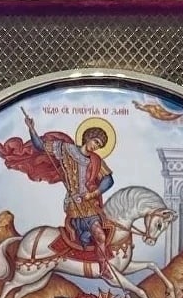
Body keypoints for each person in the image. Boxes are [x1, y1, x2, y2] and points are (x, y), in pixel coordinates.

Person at [24, 113, 116, 280]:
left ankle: (103, 268)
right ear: (88, 137)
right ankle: (81, 236)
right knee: (92, 234)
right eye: (95, 141)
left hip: (89, 202)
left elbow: (108, 180)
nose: (96, 147)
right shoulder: (66, 149)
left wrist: (94, 193)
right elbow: (40, 146)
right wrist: (31, 129)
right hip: (73, 202)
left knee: (101, 235)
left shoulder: (96, 160)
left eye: (99, 145)